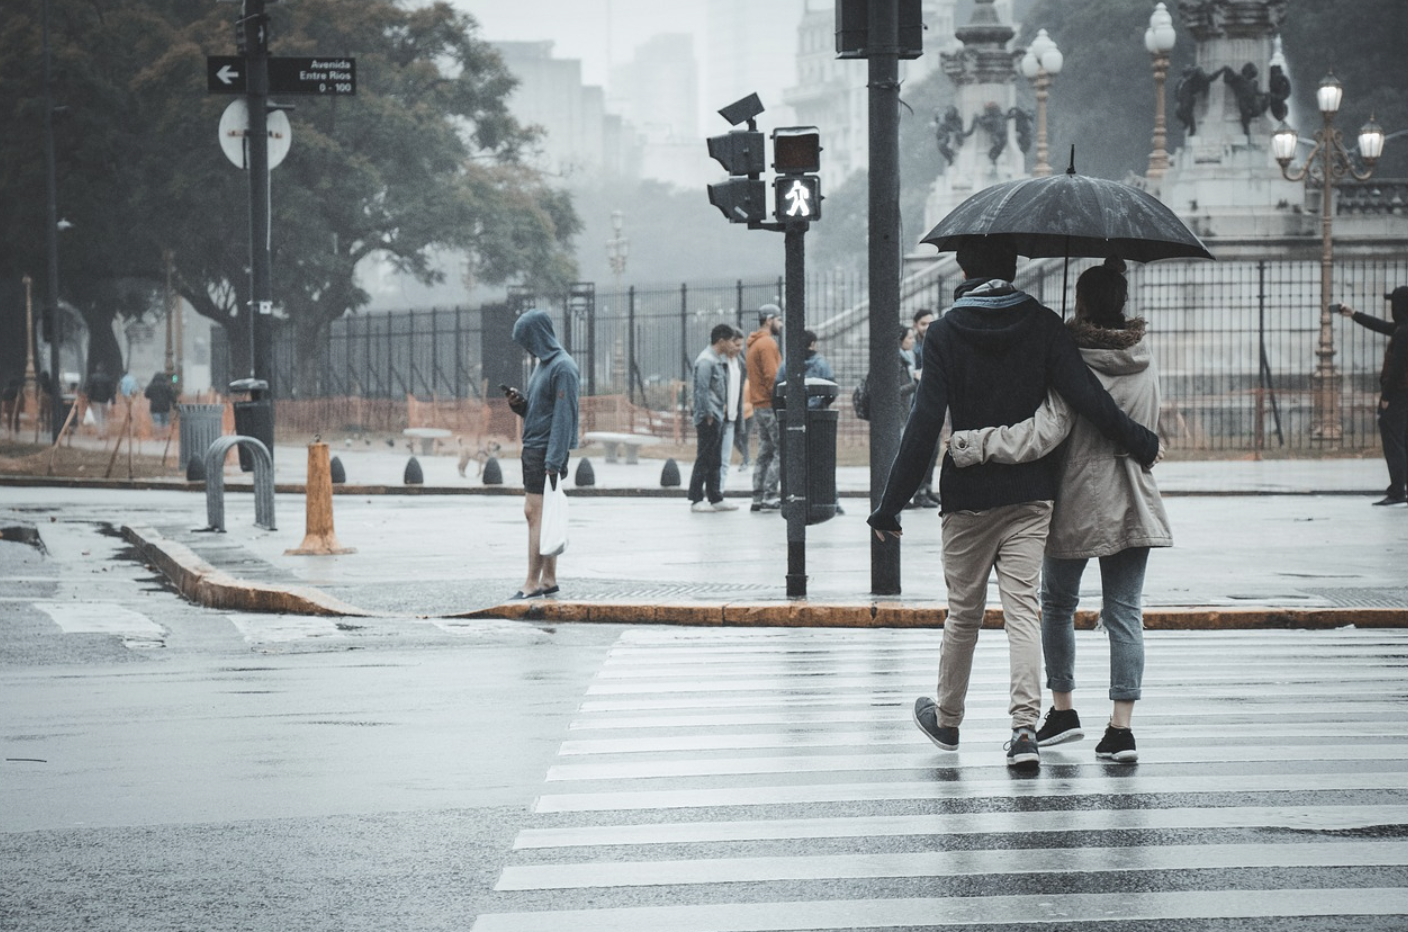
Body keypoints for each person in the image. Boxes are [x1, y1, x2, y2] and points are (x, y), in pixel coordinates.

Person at [866, 237, 1161, 772]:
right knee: (1024, 611)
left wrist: (889, 505)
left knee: (963, 614)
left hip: (968, 497)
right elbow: (1085, 397)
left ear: (962, 267)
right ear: (1015, 265)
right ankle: (1024, 730)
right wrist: (1137, 438)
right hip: (1031, 495)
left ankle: (948, 720)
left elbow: (924, 423)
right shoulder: (1044, 324)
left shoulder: (946, 332)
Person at [946, 257, 1172, 764]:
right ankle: (1121, 730)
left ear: (1082, 302)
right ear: (1123, 303)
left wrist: (977, 445)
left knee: (1055, 607)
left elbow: (1048, 429)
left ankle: (1064, 709)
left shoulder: (1072, 358)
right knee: (1125, 614)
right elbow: (1150, 422)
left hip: (1076, 496)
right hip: (1135, 497)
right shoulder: (1145, 353)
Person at [502, 308, 580, 600]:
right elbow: (540, 412)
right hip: (536, 448)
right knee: (542, 517)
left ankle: (532, 583)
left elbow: (564, 418)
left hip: (545, 453)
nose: (526, 347)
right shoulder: (544, 366)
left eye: (527, 340)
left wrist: (553, 461)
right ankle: (548, 580)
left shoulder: (563, 367)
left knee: (534, 515)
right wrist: (519, 405)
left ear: (539, 335)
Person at [1340, 287, 1408, 505]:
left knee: (1394, 441)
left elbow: (1397, 368)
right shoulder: (1403, 328)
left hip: (1398, 394)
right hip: (1402, 393)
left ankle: (1397, 491)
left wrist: (1386, 397)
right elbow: (1382, 326)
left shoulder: (1404, 332)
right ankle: (1399, 488)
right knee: (1403, 441)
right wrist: (1354, 314)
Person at [688, 323, 739, 513]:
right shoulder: (706, 361)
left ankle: (715, 496)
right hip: (709, 417)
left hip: (717, 415)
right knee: (704, 457)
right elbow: (701, 390)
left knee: (715, 458)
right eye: (730, 341)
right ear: (721, 340)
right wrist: (707, 414)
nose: (732, 346)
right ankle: (696, 498)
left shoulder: (716, 359)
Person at [746, 304, 783, 512]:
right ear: (769, 320)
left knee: (764, 451)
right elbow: (773, 377)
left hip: (758, 405)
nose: (781, 324)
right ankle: (770, 494)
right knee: (781, 450)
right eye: (779, 320)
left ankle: (757, 495)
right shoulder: (768, 344)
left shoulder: (753, 344)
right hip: (770, 404)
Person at [910, 308, 941, 509]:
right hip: (918, 404)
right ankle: (919, 492)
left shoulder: (934, 342)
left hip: (932, 401)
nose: (927, 327)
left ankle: (927, 489)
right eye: (923, 324)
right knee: (921, 450)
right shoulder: (912, 347)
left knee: (934, 448)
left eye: (930, 323)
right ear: (915, 325)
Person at [719, 328, 746, 492]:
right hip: (719, 416)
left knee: (725, 459)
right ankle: (713, 492)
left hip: (732, 416)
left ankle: (719, 492)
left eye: (741, 345)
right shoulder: (719, 362)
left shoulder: (740, 363)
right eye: (736, 344)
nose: (739, 348)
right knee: (714, 458)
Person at [85, 365, 115, 437]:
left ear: (97, 370)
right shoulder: (108, 378)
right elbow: (111, 390)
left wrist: (89, 399)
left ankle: (100, 433)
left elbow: (90, 390)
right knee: (104, 417)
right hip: (105, 400)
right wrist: (113, 400)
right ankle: (104, 432)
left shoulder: (93, 378)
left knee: (98, 417)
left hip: (95, 400)